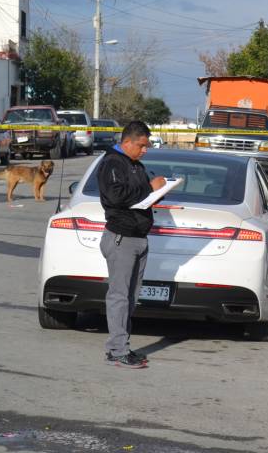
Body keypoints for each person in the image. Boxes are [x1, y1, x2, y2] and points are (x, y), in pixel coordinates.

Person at [98, 120, 166, 369]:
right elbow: (116, 196)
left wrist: (158, 191)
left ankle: (122, 346)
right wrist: (149, 187)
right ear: (127, 142)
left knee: (130, 297)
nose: (145, 150)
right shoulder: (112, 163)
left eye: (146, 146)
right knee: (119, 296)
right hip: (121, 237)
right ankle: (117, 351)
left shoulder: (135, 164)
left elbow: (139, 194)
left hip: (138, 236)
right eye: (141, 145)